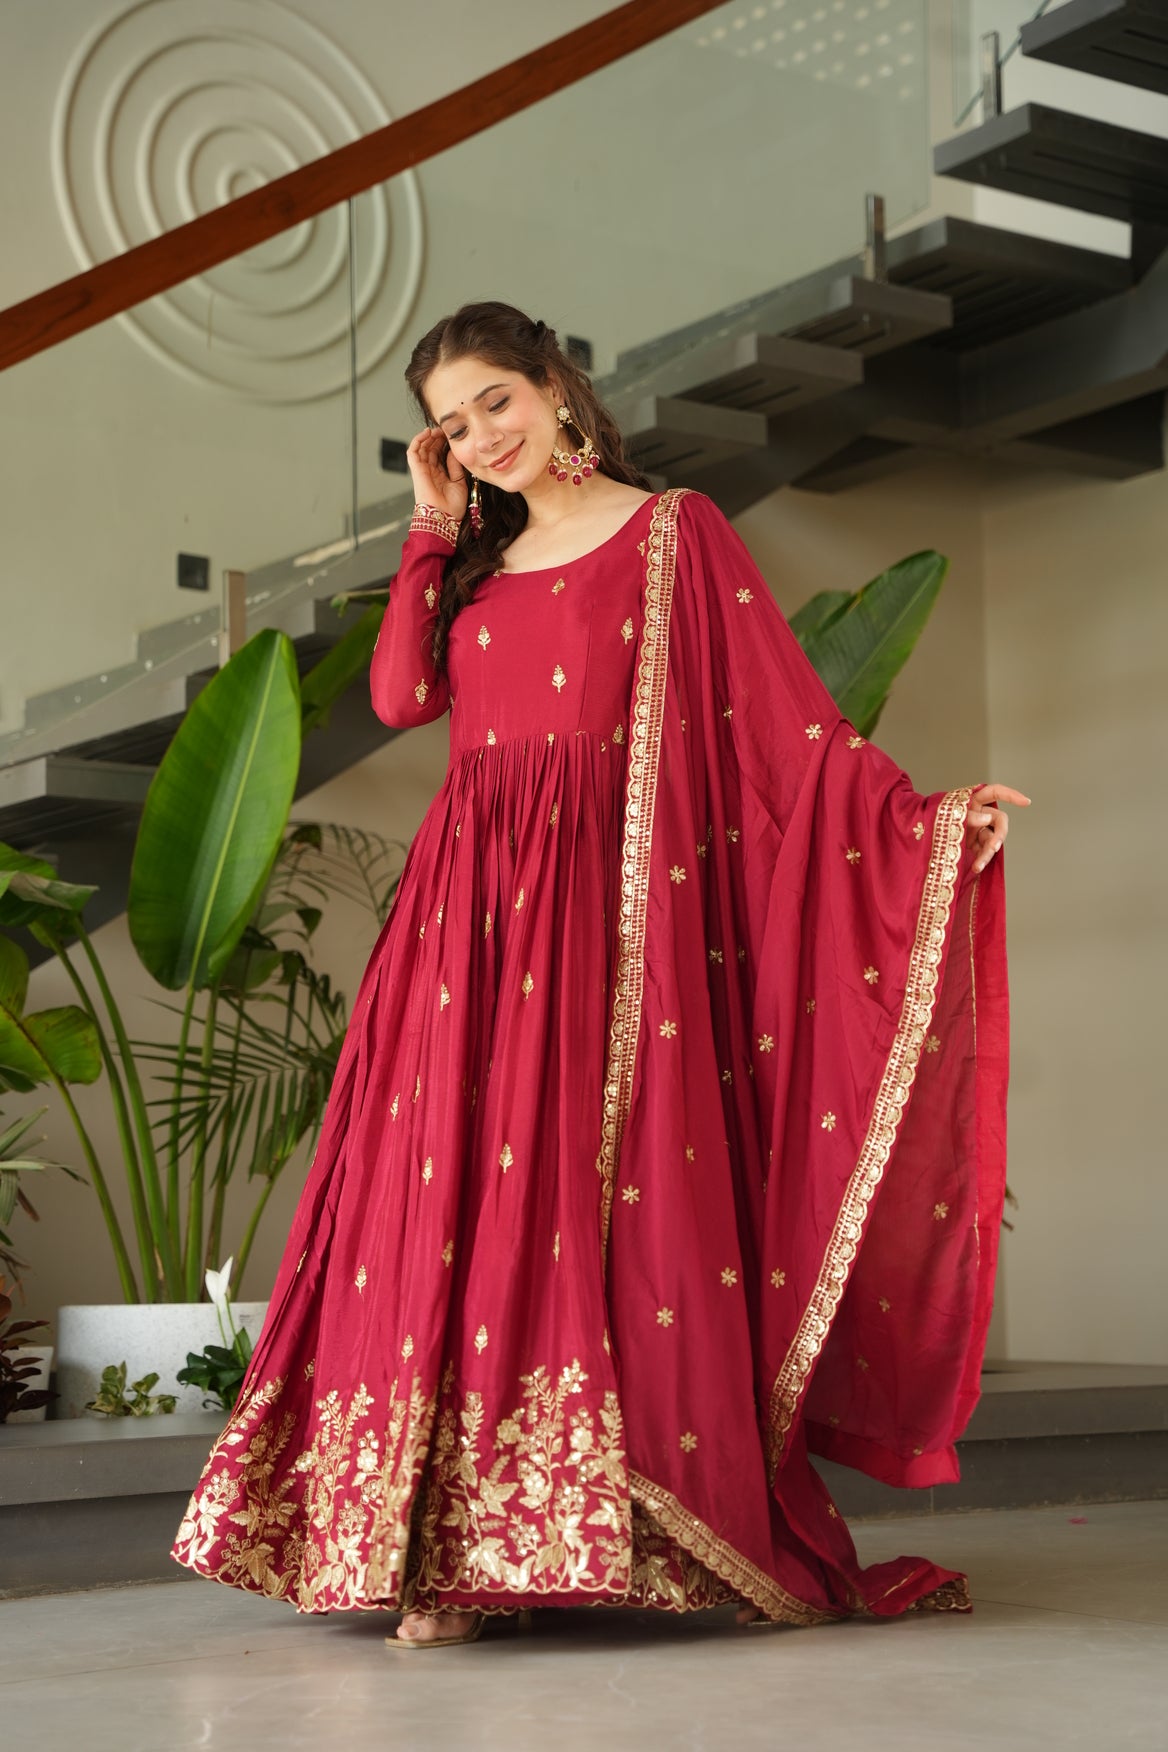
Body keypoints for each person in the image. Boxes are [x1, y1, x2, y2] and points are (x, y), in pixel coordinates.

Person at [172, 301, 1028, 1647]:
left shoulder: (675, 534)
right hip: (464, 924)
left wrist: (925, 825)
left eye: (495, 404)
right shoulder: (473, 560)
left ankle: (567, 1533)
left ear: (558, 385)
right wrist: (430, 524)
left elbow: (791, 735)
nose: (481, 437)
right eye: (452, 425)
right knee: (442, 1200)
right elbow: (401, 699)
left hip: (608, 932)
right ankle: (428, 1551)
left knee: (581, 1206)